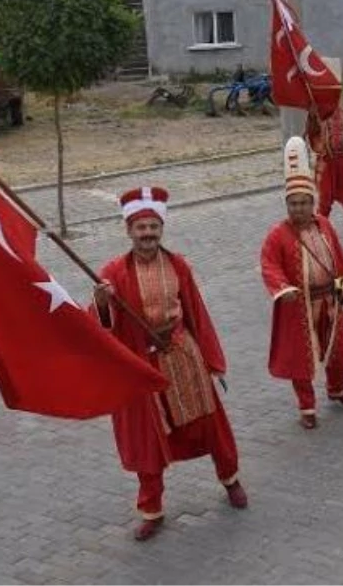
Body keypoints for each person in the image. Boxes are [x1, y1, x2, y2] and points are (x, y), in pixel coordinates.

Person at [91, 186, 247, 542]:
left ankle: (231, 480)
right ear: (129, 231)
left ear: (161, 228)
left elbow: (196, 312)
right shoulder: (113, 272)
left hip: (182, 355)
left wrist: (213, 360)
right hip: (140, 366)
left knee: (212, 426)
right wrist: (103, 303)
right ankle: (151, 509)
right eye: (140, 228)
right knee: (149, 439)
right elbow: (100, 324)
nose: (147, 234)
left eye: (153, 227)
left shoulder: (179, 265)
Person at [260, 137, 343, 430]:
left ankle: (337, 388)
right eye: (293, 204)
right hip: (298, 306)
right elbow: (268, 265)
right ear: (286, 204)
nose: (298, 209)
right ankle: (307, 406)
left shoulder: (324, 225)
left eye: (303, 203)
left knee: (339, 351)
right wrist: (283, 288)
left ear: (312, 204)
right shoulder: (277, 234)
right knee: (300, 361)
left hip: (329, 301)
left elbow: (339, 257)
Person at [306, 57, 343, 237]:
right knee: (325, 198)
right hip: (327, 160)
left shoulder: (341, 107)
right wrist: (313, 118)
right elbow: (312, 132)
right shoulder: (317, 109)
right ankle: (321, 226)